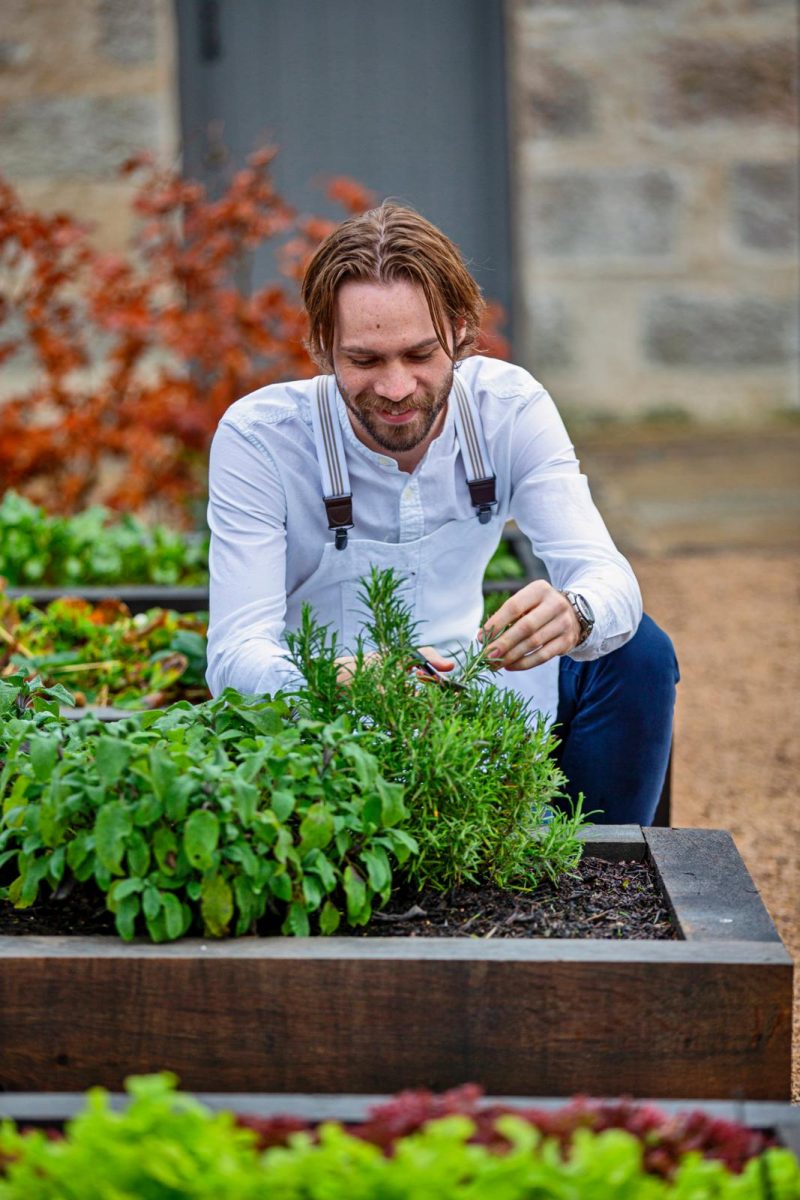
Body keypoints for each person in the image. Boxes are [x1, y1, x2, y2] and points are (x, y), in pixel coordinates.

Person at [206, 203, 678, 824]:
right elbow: (235, 656)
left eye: (420, 354)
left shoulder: (507, 407)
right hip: (324, 731)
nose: (396, 388)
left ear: (459, 331)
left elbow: (608, 577)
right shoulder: (262, 437)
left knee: (639, 652)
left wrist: (575, 613)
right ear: (322, 347)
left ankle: (599, 863)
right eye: (365, 361)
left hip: (474, 691)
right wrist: (329, 679)